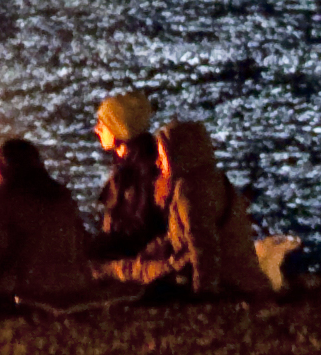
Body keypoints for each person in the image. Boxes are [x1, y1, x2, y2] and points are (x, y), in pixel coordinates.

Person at [105, 117, 274, 302]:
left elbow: (204, 245)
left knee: (138, 272)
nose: (158, 164)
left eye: (163, 157)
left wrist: (203, 294)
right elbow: (181, 235)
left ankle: (101, 272)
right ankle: (106, 270)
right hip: (226, 276)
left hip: (226, 282)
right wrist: (152, 250)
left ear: (178, 156)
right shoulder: (210, 181)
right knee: (139, 267)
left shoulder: (190, 190)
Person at [0, 136, 93, 307]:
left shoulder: (3, 198)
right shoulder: (60, 193)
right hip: (76, 283)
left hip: (30, 286)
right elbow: (81, 241)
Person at [89, 90, 164, 263]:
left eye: (103, 123)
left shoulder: (142, 173)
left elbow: (139, 232)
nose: (97, 129)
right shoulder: (127, 167)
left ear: (118, 128)